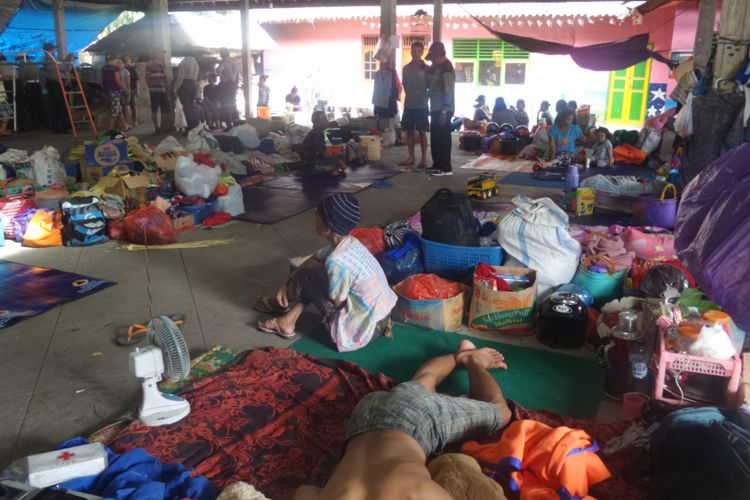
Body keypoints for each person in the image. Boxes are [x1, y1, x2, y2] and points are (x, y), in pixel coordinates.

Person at [293, 339, 512, 499]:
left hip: (414, 419)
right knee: (422, 383)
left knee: (501, 412)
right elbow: (304, 492)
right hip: (364, 416)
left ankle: (473, 360)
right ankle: (459, 357)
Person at [255, 193, 397, 350]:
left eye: (318, 215)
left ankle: (279, 308)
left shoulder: (336, 261)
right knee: (311, 272)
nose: (314, 216)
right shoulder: (351, 243)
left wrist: (313, 281)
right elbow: (316, 256)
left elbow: (337, 301)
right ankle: (286, 319)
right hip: (383, 318)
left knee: (310, 278)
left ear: (328, 228)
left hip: (363, 331)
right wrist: (286, 282)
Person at [425, 42, 455, 177]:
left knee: (443, 139)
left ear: (440, 56)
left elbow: (449, 90)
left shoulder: (446, 68)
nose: (432, 61)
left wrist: (445, 110)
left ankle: (446, 167)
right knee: (436, 138)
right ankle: (437, 164)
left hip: (444, 109)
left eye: (433, 58)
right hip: (436, 108)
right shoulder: (437, 67)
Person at [399, 41, 429, 169]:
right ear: (410, 52)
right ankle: (411, 157)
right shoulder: (406, 68)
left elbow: (430, 86)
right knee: (409, 133)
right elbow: (404, 85)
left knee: (422, 132)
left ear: (422, 52)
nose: (415, 53)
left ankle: (424, 159)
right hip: (409, 105)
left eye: (418, 51)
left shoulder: (427, 69)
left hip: (422, 105)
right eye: (413, 51)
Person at [294, 110, 346, 175]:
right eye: (324, 119)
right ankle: (331, 171)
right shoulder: (316, 134)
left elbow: (323, 150)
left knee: (340, 154)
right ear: (316, 123)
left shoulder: (318, 133)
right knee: (336, 160)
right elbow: (325, 154)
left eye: (326, 118)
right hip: (311, 164)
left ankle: (334, 170)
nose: (327, 121)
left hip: (314, 160)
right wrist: (339, 161)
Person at [42, 43, 68, 133]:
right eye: (53, 49)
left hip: (53, 83)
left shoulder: (49, 59)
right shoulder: (49, 60)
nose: (55, 51)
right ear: (50, 50)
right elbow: (56, 70)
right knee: (59, 104)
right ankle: (60, 127)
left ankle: (58, 127)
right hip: (55, 83)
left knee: (56, 105)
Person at [145, 48, 171, 133]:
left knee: (166, 109)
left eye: (162, 53)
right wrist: (151, 85)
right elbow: (147, 76)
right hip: (154, 89)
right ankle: (157, 127)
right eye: (160, 52)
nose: (162, 54)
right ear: (155, 53)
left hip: (163, 89)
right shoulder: (150, 63)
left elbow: (164, 77)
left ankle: (162, 127)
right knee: (154, 109)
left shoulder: (163, 64)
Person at [173, 55, 199, 132]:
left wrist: (175, 88)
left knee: (186, 107)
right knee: (192, 106)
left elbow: (180, 77)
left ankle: (188, 128)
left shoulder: (184, 62)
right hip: (193, 83)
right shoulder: (195, 62)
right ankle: (195, 125)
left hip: (185, 85)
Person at [18, 54, 43, 130]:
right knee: (39, 103)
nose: (19, 61)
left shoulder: (23, 65)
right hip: (38, 85)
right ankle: (43, 122)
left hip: (30, 85)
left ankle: (35, 123)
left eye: (20, 59)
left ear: (23, 58)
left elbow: (22, 77)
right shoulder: (34, 64)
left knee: (32, 104)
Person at [101, 56, 125, 131]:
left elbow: (102, 80)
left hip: (108, 90)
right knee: (115, 111)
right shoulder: (114, 69)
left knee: (119, 109)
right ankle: (110, 130)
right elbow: (118, 80)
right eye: (116, 60)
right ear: (112, 60)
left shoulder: (104, 68)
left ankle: (124, 126)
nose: (117, 62)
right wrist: (125, 89)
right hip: (115, 90)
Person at [216, 48, 239, 127]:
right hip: (232, 84)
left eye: (220, 53)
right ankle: (236, 122)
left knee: (225, 104)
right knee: (232, 103)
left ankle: (229, 125)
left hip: (225, 84)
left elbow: (218, 70)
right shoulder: (233, 61)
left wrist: (223, 77)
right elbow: (236, 72)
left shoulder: (224, 61)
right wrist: (233, 79)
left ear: (223, 53)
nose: (220, 55)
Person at [122, 55, 139, 127]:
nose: (127, 61)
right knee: (127, 106)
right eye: (126, 60)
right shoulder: (122, 69)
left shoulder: (131, 69)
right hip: (125, 90)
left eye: (127, 59)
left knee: (132, 106)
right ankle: (128, 122)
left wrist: (138, 90)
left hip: (132, 89)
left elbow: (137, 80)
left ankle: (134, 121)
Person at [116, 58, 132, 130]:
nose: (119, 64)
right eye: (118, 63)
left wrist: (129, 92)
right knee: (119, 109)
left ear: (123, 64)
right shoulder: (116, 71)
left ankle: (127, 124)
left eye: (120, 63)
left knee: (126, 107)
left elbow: (128, 83)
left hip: (124, 91)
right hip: (118, 92)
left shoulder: (126, 72)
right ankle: (122, 125)